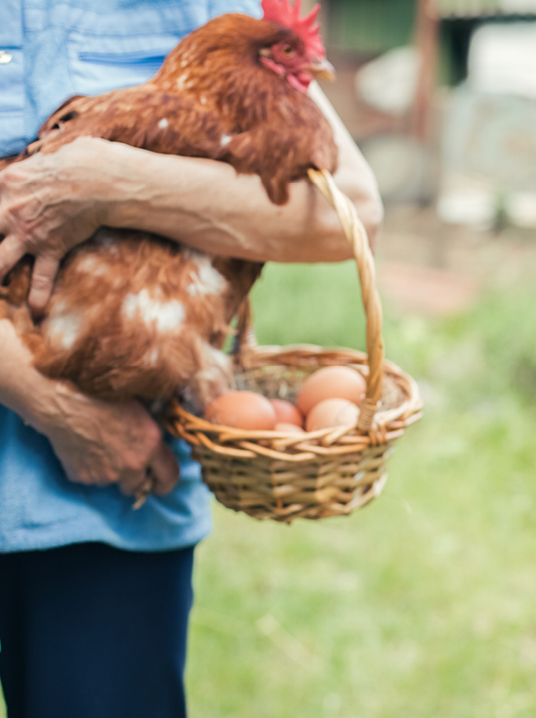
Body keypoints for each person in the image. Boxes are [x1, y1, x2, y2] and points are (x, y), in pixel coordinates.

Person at [0, 2, 382, 716]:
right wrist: (47, 403)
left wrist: (105, 183)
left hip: (114, 505)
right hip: (103, 445)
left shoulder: (208, 10)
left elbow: (350, 207)